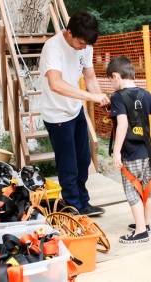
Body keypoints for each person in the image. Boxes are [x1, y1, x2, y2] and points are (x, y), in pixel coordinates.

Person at [39, 10, 110, 216]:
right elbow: (55, 84)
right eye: (81, 43)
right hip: (57, 114)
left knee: (83, 160)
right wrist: (90, 97)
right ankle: (73, 208)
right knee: (68, 164)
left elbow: (90, 78)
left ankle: (83, 202)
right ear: (69, 32)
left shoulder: (85, 45)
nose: (84, 48)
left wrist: (101, 99)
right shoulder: (53, 48)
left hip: (75, 109)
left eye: (87, 45)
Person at [107, 56, 151, 243]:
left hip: (130, 155)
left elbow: (122, 124)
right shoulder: (146, 94)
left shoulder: (117, 97)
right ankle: (145, 224)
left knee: (132, 191)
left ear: (116, 76)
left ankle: (140, 231)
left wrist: (116, 152)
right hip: (148, 154)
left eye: (111, 80)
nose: (112, 84)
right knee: (148, 188)